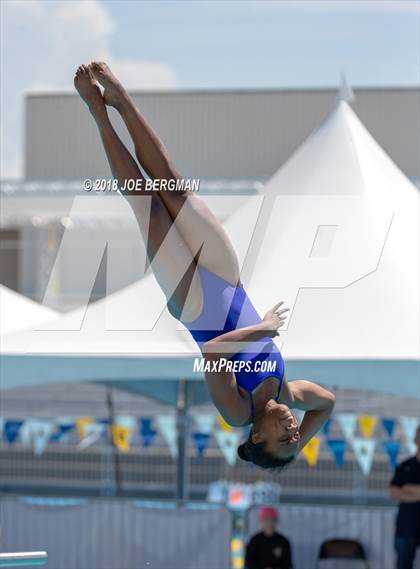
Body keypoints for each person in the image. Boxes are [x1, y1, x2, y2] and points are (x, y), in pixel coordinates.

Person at [74, 62, 335, 470]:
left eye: (283, 438)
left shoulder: (238, 411)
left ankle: (97, 111)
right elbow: (329, 403)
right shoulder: (290, 394)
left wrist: (265, 328)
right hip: (228, 280)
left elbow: (214, 352)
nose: (293, 429)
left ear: (257, 436)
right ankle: (122, 102)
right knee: (174, 187)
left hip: (194, 305)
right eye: (295, 435)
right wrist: (299, 448)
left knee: (151, 208)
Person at [389, 425, 420, 569]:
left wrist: (407, 488)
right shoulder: (404, 466)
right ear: (415, 440)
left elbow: (400, 490)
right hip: (406, 527)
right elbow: (394, 492)